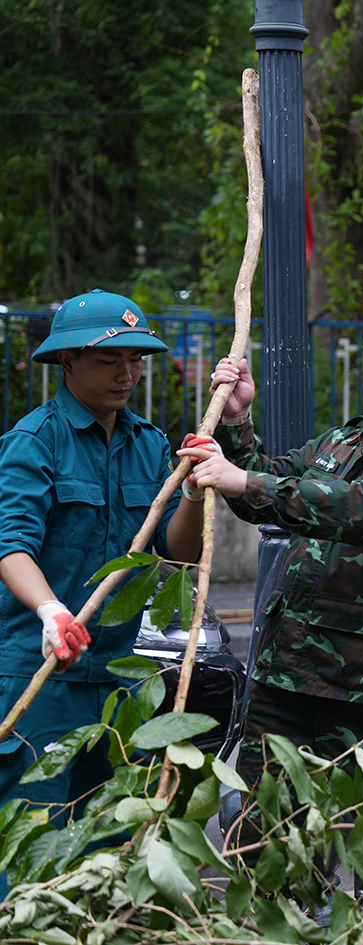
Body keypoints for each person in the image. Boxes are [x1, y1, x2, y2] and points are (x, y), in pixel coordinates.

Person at [182, 314, 363, 944]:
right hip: (286, 681)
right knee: (264, 837)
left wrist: (246, 478)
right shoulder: (343, 442)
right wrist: (236, 424)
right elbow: (266, 488)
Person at [0, 290, 206, 890]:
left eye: (137, 359)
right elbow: (10, 546)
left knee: (118, 834)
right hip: (42, 674)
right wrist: (51, 610)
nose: (127, 374)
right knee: (31, 840)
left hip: (121, 679)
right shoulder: (33, 443)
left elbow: (179, 552)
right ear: (66, 363)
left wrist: (190, 491)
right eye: (109, 360)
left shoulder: (150, 444)